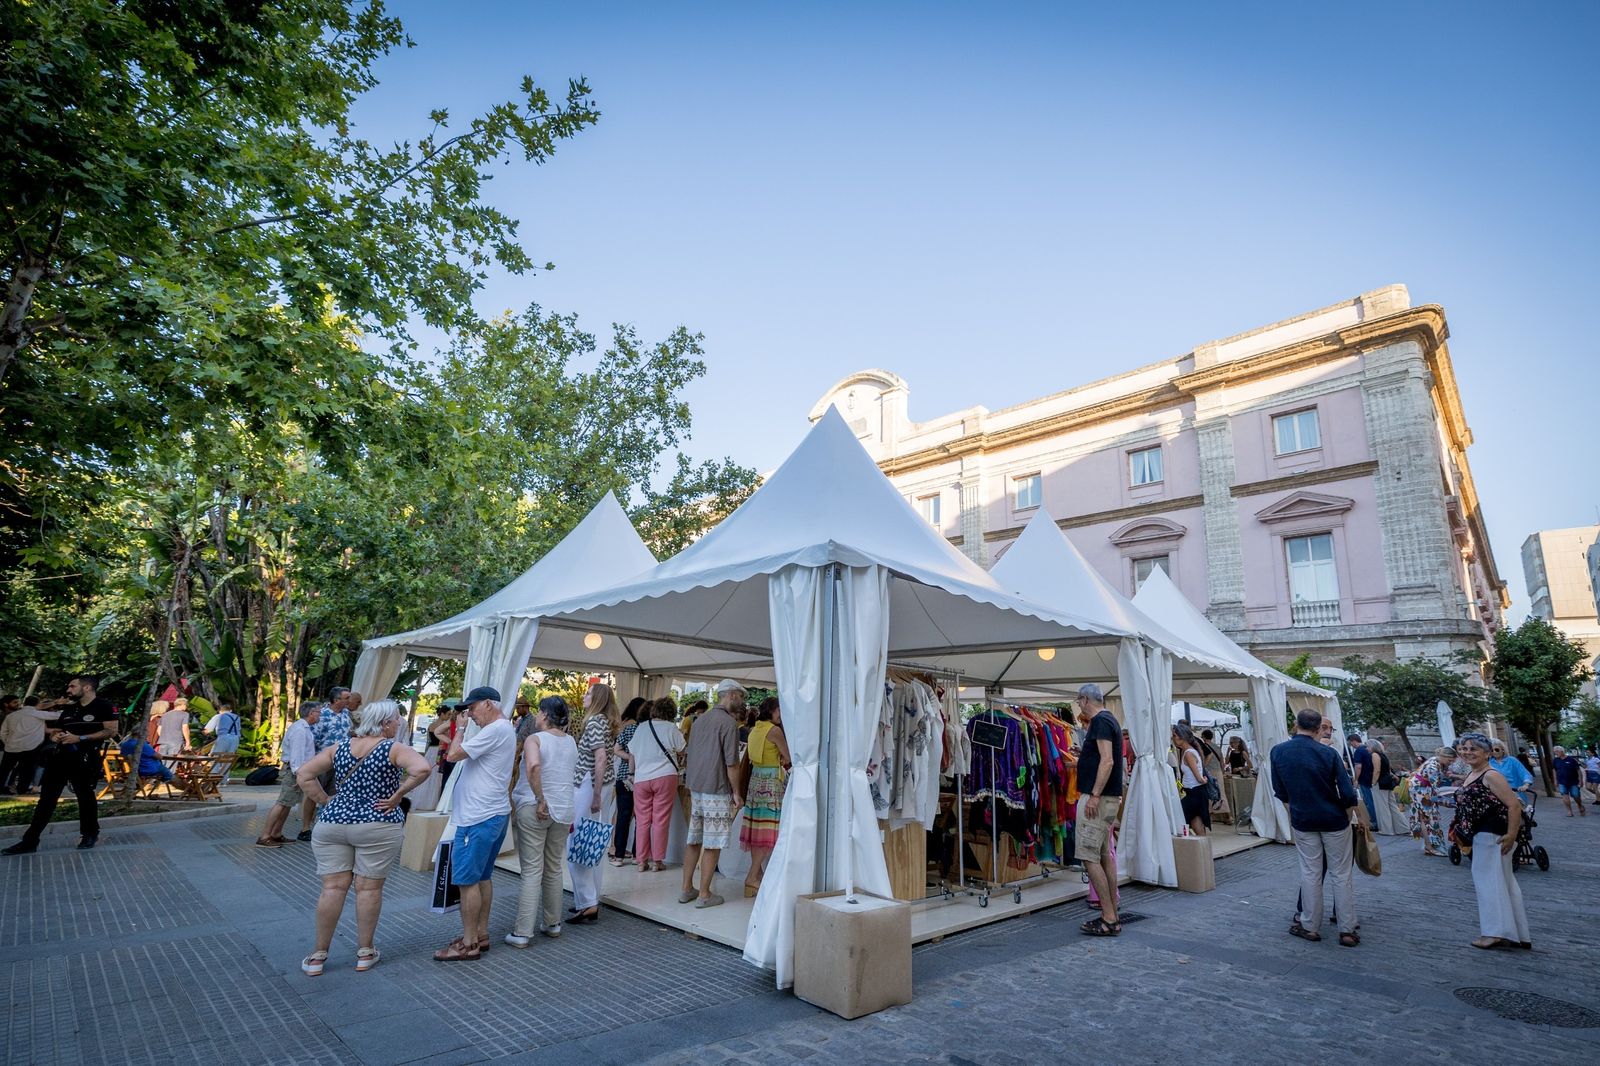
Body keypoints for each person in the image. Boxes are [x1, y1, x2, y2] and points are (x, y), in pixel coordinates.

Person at [294, 699, 431, 974]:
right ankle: (365, 953)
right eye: (396, 720)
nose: (398, 724)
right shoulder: (393, 748)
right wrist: (396, 796)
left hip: (333, 822)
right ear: (385, 723)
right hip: (377, 823)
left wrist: (325, 801)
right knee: (368, 889)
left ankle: (318, 956)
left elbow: (304, 774)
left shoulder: (340, 747)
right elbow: (423, 768)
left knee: (332, 888)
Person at [1270, 709, 1368, 947]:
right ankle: (1347, 928)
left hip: (1304, 819)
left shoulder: (1278, 752)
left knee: (1310, 872)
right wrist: (1346, 815)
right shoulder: (1329, 754)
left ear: (1295, 725)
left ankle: (1309, 925)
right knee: (1341, 874)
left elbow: (1281, 791)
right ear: (1317, 729)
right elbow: (1347, 793)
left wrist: (1294, 814)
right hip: (1333, 819)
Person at [434, 686, 516, 962]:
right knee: (482, 877)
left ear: (489, 705)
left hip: (478, 817)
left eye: (473, 707)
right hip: (491, 813)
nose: (470, 713)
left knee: (467, 880)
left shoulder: (495, 730)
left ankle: (469, 943)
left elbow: (453, 755)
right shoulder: (503, 729)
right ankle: (480, 934)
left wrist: (458, 729)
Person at [4, 675, 120, 854]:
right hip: (60, 757)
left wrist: (80, 738)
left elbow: (111, 731)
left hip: (85, 758)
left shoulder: (104, 706)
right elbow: (56, 731)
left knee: (85, 797)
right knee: (47, 798)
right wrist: (55, 736)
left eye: (72, 687)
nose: (68, 690)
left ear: (87, 688)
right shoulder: (70, 709)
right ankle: (30, 840)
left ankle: (90, 833)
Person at [506, 696, 578, 948]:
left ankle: (523, 932)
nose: (536, 717)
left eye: (538, 713)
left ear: (545, 715)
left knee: (532, 870)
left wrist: (540, 798)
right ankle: (552, 923)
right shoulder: (570, 742)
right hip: (564, 808)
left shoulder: (534, 739)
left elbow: (534, 765)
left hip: (535, 807)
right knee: (554, 867)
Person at [1449, 732, 1531, 951]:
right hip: (1481, 834)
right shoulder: (1474, 773)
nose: (1467, 752)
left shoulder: (1491, 775)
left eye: (1473, 748)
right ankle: (1516, 932)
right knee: (1501, 882)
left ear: (1487, 753)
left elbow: (1513, 805)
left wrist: (1512, 834)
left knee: (1488, 883)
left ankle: (1494, 932)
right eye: (1464, 748)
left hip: (1492, 835)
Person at [680, 680, 744, 909]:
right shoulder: (728, 724)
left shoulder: (700, 719)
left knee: (694, 839)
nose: (743, 703)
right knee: (713, 843)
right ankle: (705, 893)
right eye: (742, 697)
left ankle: (686, 888)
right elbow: (732, 764)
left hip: (696, 786)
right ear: (733, 696)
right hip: (716, 788)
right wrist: (736, 792)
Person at [567, 682, 620, 923]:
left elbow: (599, 758)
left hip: (589, 785)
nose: (584, 695)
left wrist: (596, 794)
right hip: (598, 784)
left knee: (579, 841)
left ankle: (587, 901)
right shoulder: (604, 722)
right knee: (593, 840)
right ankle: (587, 899)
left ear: (597, 698)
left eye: (588, 693)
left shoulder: (595, 721)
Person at [1075, 683, 1124, 937]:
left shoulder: (1101, 722)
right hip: (1107, 797)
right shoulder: (1109, 720)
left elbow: (1108, 760)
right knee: (1105, 854)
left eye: (1079, 701)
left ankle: (1108, 917)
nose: (1079, 705)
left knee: (1088, 854)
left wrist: (1094, 795)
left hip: (1100, 798)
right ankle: (1112, 913)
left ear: (1085, 700)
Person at [740, 696, 791, 896]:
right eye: (779, 710)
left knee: (756, 831)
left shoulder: (755, 729)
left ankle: (756, 875)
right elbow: (788, 755)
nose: (781, 715)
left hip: (756, 781)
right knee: (766, 831)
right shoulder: (774, 731)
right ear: (772, 710)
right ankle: (752, 876)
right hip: (771, 783)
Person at [256, 701, 323, 847]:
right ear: (311, 713)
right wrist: (299, 775)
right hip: (296, 772)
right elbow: (296, 756)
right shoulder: (300, 730)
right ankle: (265, 836)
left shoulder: (304, 728)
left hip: (298, 771)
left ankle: (276, 833)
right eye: (318, 712)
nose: (320, 715)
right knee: (282, 803)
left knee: (287, 804)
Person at [630, 697, 685, 873]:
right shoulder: (671, 728)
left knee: (642, 820)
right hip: (665, 775)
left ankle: (641, 861)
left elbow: (632, 753)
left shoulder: (641, 728)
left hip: (641, 777)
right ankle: (657, 861)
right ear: (671, 712)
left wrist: (631, 774)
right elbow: (683, 749)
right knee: (660, 819)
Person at [302, 686, 354, 840]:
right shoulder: (322, 714)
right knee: (313, 794)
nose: (349, 701)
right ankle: (305, 828)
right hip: (322, 760)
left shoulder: (346, 714)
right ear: (336, 700)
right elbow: (313, 738)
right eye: (346, 698)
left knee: (334, 793)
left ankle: (325, 824)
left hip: (341, 762)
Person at [0, 695, 59, 795]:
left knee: (5, 770)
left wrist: (8, 742)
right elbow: (58, 715)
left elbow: (3, 732)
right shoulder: (38, 714)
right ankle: (22, 790)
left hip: (11, 747)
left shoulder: (11, 716)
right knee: (26, 770)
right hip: (31, 747)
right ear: (38, 704)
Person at [609, 698, 643, 867]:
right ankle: (636, 854)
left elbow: (616, 749)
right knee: (638, 817)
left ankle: (618, 853)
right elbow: (618, 749)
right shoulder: (637, 727)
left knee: (622, 814)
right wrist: (633, 758)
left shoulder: (626, 723)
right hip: (638, 776)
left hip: (623, 775)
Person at [1409, 746, 1458, 856]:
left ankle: (1430, 846)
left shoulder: (1435, 761)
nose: (1450, 763)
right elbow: (1436, 788)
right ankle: (1430, 847)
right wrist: (1446, 800)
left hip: (1420, 788)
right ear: (1443, 756)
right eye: (1450, 761)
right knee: (1426, 818)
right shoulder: (1433, 766)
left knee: (1425, 817)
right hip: (1421, 790)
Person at [1173, 721, 1211, 836]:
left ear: (1182, 737)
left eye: (1174, 736)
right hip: (1194, 791)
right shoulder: (1190, 751)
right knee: (1196, 820)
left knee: (1186, 818)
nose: (1173, 739)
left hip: (1194, 791)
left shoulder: (1188, 753)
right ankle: (1202, 847)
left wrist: (1203, 780)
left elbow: (1198, 777)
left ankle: (1200, 846)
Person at [1367, 740, 1405, 836]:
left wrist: (1373, 782)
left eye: (1367, 747)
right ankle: (1403, 828)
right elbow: (1388, 770)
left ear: (1372, 747)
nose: (1367, 749)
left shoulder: (1374, 755)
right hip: (1387, 782)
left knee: (1382, 807)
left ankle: (1386, 830)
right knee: (1393, 806)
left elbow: (1377, 770)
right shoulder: (1383, 755)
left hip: (1380, 783)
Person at [1349, 734, 1379, 825]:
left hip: (1364, 779)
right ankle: (1378, 821)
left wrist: (1356, 779)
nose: (1351, 745)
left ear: (1354, 740)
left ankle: (1374, 822)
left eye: (1351, 743)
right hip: (1372, 779)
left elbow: (1358, 767)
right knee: (1373, 801)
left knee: (1369, 801)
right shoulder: (1368, 749)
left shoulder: (1358, 751)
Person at [1551, 746, 1586, 816]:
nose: (1555, 753)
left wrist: (1581, 780)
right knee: (1564, 795)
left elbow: (1578, 770)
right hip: (1562, 782)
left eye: (1557, 751)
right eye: (1554, 752)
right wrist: (1555, 780)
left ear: (1562, 751)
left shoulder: (1571, 759)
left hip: (1573, 781)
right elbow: (1554, 770)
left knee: (1575, 795)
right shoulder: (1555, 760)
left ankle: (1580, 805)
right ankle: (1569, 811)